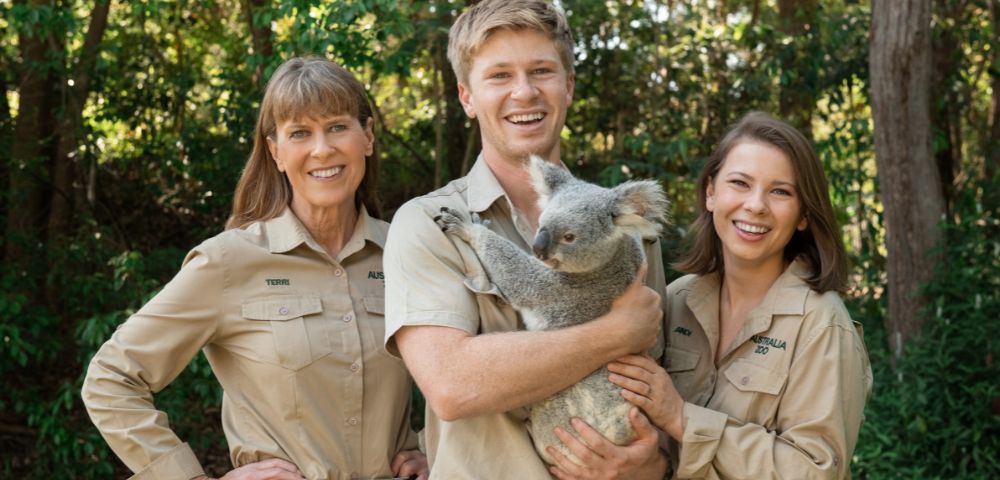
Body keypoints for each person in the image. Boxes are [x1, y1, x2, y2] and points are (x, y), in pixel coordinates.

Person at [82, 57, 428, 480]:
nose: (323, 149)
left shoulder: (410, 251)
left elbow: (474, 368)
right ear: (275, 151)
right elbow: (110, 378)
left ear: (368, 136)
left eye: (338, 126)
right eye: (300, 133)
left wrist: (435, 449)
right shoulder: (228, 262)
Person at [382, 1, 669, 478]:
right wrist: (612, 334)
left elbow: (655, 377)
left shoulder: (625, 230)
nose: (524, 92)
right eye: (499, 76)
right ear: (466, 97)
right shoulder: (427, 223)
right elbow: (453, 385)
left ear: (568, 86)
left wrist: (653, 464)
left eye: (541, 71)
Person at [606, 112, 873, 479]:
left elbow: (813, 470)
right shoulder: (674, 301)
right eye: (740, 183)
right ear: (711, 192)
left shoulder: (821, 323)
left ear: (803, 215)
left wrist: (682, 417)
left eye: (780, 191)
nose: (756, 205)